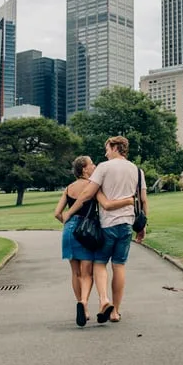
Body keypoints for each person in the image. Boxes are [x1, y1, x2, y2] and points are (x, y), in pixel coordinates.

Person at [63, 137, 148, 324]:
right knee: (119, 265)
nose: (105, 153)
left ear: (116, 147)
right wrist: (142, 227)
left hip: (108, 224)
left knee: (99, 263)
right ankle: (115, 312)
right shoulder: (137, 171)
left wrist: (69, 212)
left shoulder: (104, 167)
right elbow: (143, 200)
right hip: (127, 224)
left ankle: (104, 301)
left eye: (107, 148)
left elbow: (87, 193)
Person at [54, 156, 133, 327]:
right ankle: (83, 302)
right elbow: (106, 204)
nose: (94, 166)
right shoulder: (93, 186)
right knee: (87, 272)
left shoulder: (68, 188)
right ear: (84, 169)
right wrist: (128, 200)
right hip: (87, 231)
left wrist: (69, 223)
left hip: (69, 229)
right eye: (91, 164)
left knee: (75, 272)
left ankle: (84, 309)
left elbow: (57, 213)